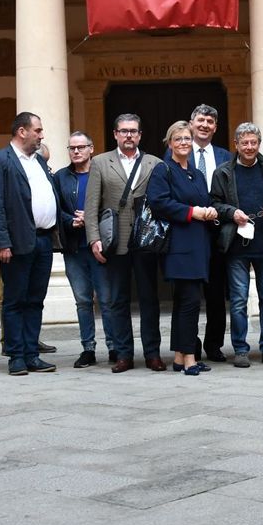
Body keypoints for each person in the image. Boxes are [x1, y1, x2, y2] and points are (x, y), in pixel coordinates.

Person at [0, 112, 64, 376]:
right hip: (15, 244)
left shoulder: (38, 161)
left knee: (36, 300)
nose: (41, 135)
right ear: (21, 131)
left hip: (43, 240)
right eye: (37, 130)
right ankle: (16, 356)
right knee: (15, 300)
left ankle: (31, 353)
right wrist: (2, 242)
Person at [85, 113, 165, 373]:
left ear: (140, 135)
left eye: (133, 131)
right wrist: (94, 238)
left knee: (149, 300)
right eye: (123, 131)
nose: (128, 135)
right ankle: (123, 355)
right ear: (115, 134)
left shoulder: (154, 163)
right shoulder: (99, 162)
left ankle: (152, 353)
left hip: (145, 241)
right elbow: (91, 205)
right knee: (117, 300)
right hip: (114, 243)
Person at [210, 122, 263, 368]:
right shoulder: (223, 172)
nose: (249, 147)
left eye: (254, 142)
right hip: (236, 245)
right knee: (239, 300)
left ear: (259, 144)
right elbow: (215, 204)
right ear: (236, 145)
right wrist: (232, 212)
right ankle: (241, 350)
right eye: (245, 143)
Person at [148, 121, 217, 376]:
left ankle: (178, 356)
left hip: (199, 244)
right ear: (169, 143)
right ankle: (190, 357)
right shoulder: (163, 170)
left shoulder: (197, 173)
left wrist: (208, 211)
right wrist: (192, 212)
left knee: (184, 302)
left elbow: (204, 200)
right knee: (189, 303)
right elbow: (159, 202)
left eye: (187, 138)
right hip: (178, 246)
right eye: (178, 139)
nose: (184, 143)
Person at [164, 103, 233, 362]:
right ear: (191, 124)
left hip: (217, 234)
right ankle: (187, 347)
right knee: (186, 297)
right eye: (200, 120)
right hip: (186, 235)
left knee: (216, 294)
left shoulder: (226, 156)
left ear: (216, 127)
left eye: (210, 121)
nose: (205, 125)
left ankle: (213, 346)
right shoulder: (175, 155)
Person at [57, 131, 115, 368]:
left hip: (99, 246)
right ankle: (88, 349)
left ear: (92, 148)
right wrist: (71, 220)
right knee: (82, 300)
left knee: (107, 299)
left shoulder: (103, 173)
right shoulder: (61, 177)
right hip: (74, 248)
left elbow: (113, 206)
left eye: (81, 147)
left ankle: (114, 347)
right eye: (72, 148)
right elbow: (54, 208)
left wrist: (92, 218)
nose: (76, 151)